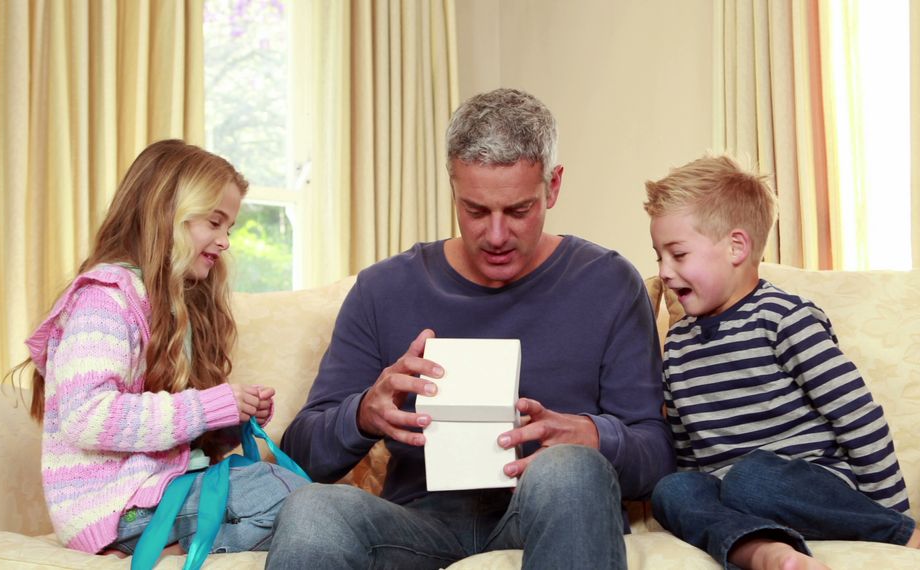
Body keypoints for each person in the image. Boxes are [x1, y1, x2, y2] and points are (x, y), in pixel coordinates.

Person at [265, 88, 675, 569]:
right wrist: (362, 414)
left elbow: (658, 455)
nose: (496, 235)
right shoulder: (383, 289)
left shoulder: (608, 283)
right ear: (452, 187)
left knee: (568, 471)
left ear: (554, 186)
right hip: (418, 523)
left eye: (518, 211)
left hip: (550, 508)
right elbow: (301, 454)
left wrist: (594, 436)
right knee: (312, 510)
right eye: (476, 211)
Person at [643, 154, 920, 569]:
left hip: (805, 486)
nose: (666, 272)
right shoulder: (677, 345)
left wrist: (895, 520)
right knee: (673, 489)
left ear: (736, 247)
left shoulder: (784, 318)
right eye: (659, 257)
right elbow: (688, 445)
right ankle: (769, 552)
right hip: (733, 501)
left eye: (678, 254)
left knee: (752, 479)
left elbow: (857, 416)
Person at [9, 139, 308, 558]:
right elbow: (86, 415)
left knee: (294, 497)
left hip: (158, 492)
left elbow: (166, 435)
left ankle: (167, 546)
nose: (225, 242)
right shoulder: (105, 298)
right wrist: (206, 406)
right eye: (214, 222)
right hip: (116, 506)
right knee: (291, 498)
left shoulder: (175, 307)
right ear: (166, 214)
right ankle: (150, 544)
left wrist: (226, 418)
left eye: (230, 228)